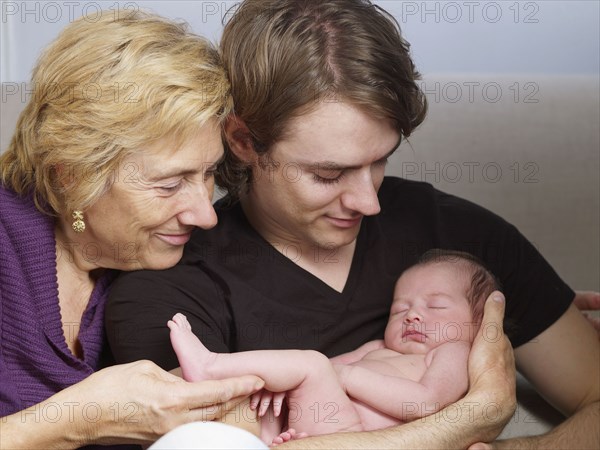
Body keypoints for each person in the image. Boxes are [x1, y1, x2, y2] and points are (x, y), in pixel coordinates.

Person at [106, 1, 599, 448]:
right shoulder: (173, 288)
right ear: (243, 141)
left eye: (380, 160)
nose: (368, 201)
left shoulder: (461, 240)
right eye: (328, 174)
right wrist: (470, 419)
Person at [0, 10, 264, 449]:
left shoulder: (164, 263)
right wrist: (83, 417)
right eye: (169, 183)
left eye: (208, 174)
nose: (206, 215)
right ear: (73, 176)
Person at [167, 250, 499, 445]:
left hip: (354, 437)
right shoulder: (377, 346)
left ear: (480, 322)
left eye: (436, 306)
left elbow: (424, 402)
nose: (412, 315)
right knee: (268, 400)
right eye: (400, 308)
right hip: (315, 429)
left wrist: (340, 375)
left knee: (311, 364)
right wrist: (287, 385)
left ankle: (211, 366)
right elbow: (327, 373)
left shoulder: (452, 352)